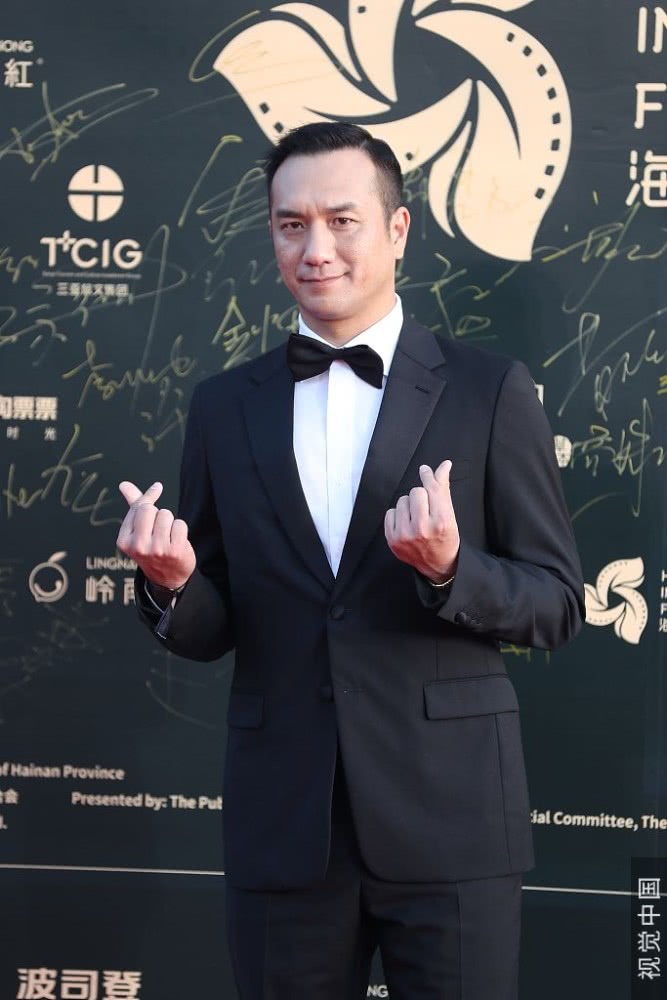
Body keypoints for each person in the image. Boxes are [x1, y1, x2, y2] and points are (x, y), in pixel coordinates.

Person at [117, 122, 584, 1000]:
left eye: (341, 220)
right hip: (284, 823)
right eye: (291, 225)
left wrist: (448, 570)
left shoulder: (489, 390)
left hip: (450, 819)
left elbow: (556, 603)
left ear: (396, 230)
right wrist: (172, 586)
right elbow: (213, 626)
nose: (315, 248)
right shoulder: (224, 406)